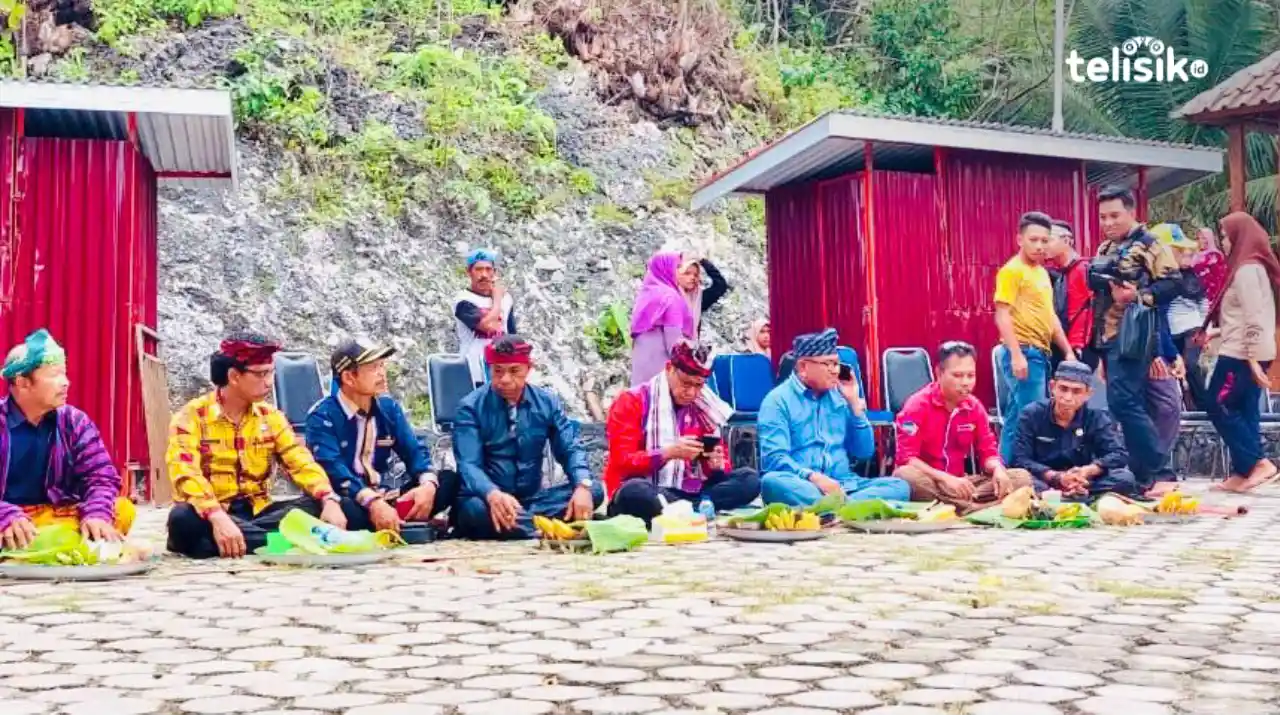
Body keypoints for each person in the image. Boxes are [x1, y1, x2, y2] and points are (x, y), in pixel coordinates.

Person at [166, 332, 351, 559]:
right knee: (183, 519)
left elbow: (300, 462)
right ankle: (283, 541)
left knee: (339, 505)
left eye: (271, 372)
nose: (269, 381)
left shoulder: (270, 417)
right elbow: (186, 474)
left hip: (259, 512)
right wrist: (216, 515)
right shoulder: (191, 416)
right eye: (261, 374)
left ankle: (240, 543)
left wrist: (328, 499)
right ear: (234, 376)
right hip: (213, 513)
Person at [452, 336, 602, 539]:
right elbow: (468, 465)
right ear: (490, 369)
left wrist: (582, 485)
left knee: (594, 491)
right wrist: (492, 494)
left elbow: (570, 448)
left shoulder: (547, 403)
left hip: (533, 500)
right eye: (498, 371)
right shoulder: (470, 407)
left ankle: (523, 525)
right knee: (474, 511)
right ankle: (543, 528)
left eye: (514, 371)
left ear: (528, 369)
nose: (505, 379)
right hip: (488, 499)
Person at [306, 338, 461, 532]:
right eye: (373, 367)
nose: (382, 374)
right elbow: (333, 470)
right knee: (346, 510)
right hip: (350, 497)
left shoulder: (388, 408)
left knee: (447, 480)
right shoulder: (322, 416)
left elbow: (414, 451)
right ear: (348, 377)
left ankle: (396, 518)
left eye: (382, 365)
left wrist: (427, 485)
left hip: (385, 494)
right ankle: (397, 521)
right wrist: (372, 502)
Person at [1087, 186, 1182, 497]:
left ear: (1131, 212)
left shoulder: (1150, 243)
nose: (1108, 222)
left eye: (1115, 215)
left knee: (1122, 401)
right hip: (1108, 336)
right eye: (1103, 217)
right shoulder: (1105, 248)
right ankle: (1142, 478)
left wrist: (1138, 296)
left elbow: (1173, 284)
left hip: (1136, 334)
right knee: (1128, 403)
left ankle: (1156, 463)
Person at [0, 330, 134, 549]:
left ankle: (34, 543)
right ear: (22, 382)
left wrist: (96, 513)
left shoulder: (74, 422)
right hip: (9, 517)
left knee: (123, 509)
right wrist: (5, 515)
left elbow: (101, 477)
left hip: (52, 514)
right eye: (54, 375)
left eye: (65, 374)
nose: (66, 383)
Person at [607, 341, 759, 521]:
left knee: (749, 479)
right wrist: (667, 454)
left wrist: (716, 465)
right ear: (669, 368)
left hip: (688, 491)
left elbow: (720, 461)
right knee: (634, 492)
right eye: (686, 384)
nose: (692, 393)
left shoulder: (702, 406)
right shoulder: (631, 401)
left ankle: (689, 509)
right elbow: (621, 461)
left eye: (699, 385)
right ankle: (696, 509)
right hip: (650, 487)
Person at [757, 329, 909, 506]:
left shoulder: (840, 396)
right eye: (827, 364)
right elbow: (774, 459)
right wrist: (813, 477)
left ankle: (833, 506)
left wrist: (854, 405)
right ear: (803, 368)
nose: (834, 371)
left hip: (845, 485)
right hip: (804, 484)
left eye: (837, 364)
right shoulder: (777, 401)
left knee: (900, 486)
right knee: (772, 482)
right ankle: (847, 506)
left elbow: (864, 452)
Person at [893, 342, 1032, 514]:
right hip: (930, 481)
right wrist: (945, 479)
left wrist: (998, 469)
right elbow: (907, 458)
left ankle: (956, 507)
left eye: (970, 375)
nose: (966, 382)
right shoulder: (917, 405)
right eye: (958, 375)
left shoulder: (974, 407)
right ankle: (976, 509)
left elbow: (988, 451)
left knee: (1021, 478)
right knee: (906, 476)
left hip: (962, 485)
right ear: (939, 373)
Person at [1204, 212, 1280, 493]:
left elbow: (1254, 316)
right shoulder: (1251, 266)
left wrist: (1250, 358)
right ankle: (1243, 470)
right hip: (1247, 347)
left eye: (1224, 235)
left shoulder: (1247, 269)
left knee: (1217, 403)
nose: (1223, 242)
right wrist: (1216, 332)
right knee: (1244, 409)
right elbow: (1244, 316)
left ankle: (1257, 463)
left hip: (1242, 353)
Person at [994, 211, 1076, 463]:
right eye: (1034, 240)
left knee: (1017, 416)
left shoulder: (1041, 273)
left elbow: (1050, 317)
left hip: (1041, 352)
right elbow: (1001, 313)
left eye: (1044, 240)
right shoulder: (1012, 271)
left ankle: (1005, 470)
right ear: (1020, 239)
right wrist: (1017, 354)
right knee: (1036, 417)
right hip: (1024, 351)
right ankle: (1027, 471)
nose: (1040, 246)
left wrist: (1068, 350)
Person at [1011, 361, 1139, 500]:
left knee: (1125, 478)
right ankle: (1070, 497)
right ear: (1052, 387)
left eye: (1076, 391)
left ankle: (1067, 496)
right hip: (1044, 479)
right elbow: (1020, 458)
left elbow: (1118, 454)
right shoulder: (1032, 414)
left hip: (1083, 481)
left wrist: (1087, 471)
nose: (1068, 397)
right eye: (1063, 389)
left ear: (1088, 394)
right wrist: (1056, 477)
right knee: (1017, 479)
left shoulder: (1096, 418)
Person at [1152, 224, 1209, 410]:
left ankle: (1201, 410)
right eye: (1178, 251)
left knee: (1189, 368)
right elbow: (1158, 321)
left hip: (1185, 331)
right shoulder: (1155, 282)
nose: (1182, 256)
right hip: (1159, 343)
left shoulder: (1181, 278)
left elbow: (1203, 303)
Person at [454, 248, 517, 386]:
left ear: (494, 272)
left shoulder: (507, 299)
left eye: (488, 269)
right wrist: (497, 300)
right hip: (473, 372)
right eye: (478, 269)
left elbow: (511, 334)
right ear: (469, 272)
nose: (484, 275)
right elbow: (487, 326)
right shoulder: (464, 301)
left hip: (502, 372)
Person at [1046, 220, 1096, 371]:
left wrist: (1078, 346)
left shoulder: (1084, 270)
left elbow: (1092, 310)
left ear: (1066, 241)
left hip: (1079, 348)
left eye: (1049, 240)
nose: (1044, 245)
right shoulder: (1059, 273)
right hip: (1061, 345)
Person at [677, 254, 731, 337]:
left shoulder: (697, 300)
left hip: (687, 346)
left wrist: (703, 261)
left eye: (696, 275)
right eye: (687, 273)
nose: (692, 277)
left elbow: (720, 286)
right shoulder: (665, 297)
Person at [1193, 226, 1229, 304]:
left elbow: (1220, 278)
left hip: (1212, 295)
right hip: (1198, 295)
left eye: (1203, 238)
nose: (1200, 241)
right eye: (1198, 238)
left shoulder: (1215, 255)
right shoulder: (1195, 255)